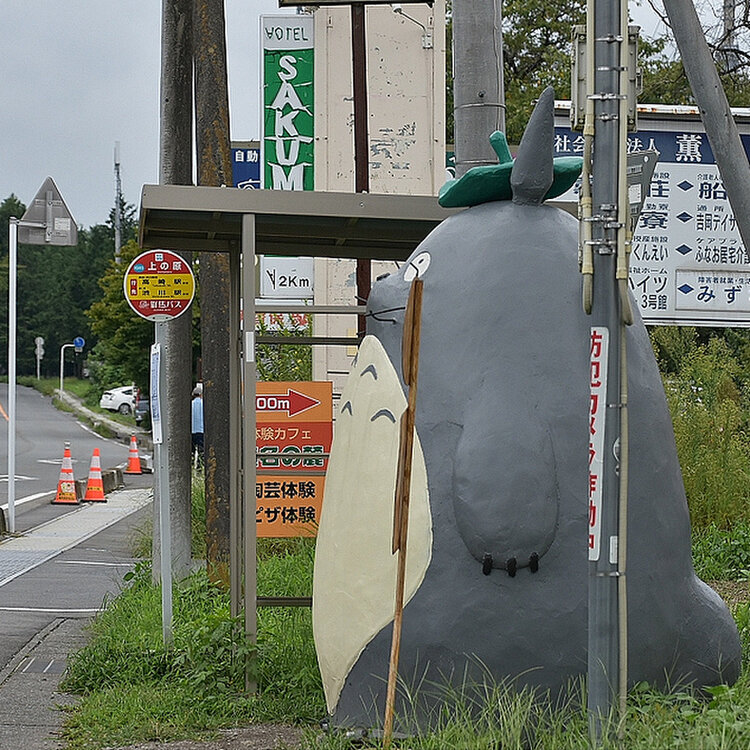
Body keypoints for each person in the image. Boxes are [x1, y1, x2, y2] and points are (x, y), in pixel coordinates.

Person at [191, 385, 204, 466]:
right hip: (201, 431)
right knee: (201, 452)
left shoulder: (190, 404)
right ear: (201, 394)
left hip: (192, 431)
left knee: (191, 452)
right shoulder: (204, 404)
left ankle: (191, 466)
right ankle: (200, 468)